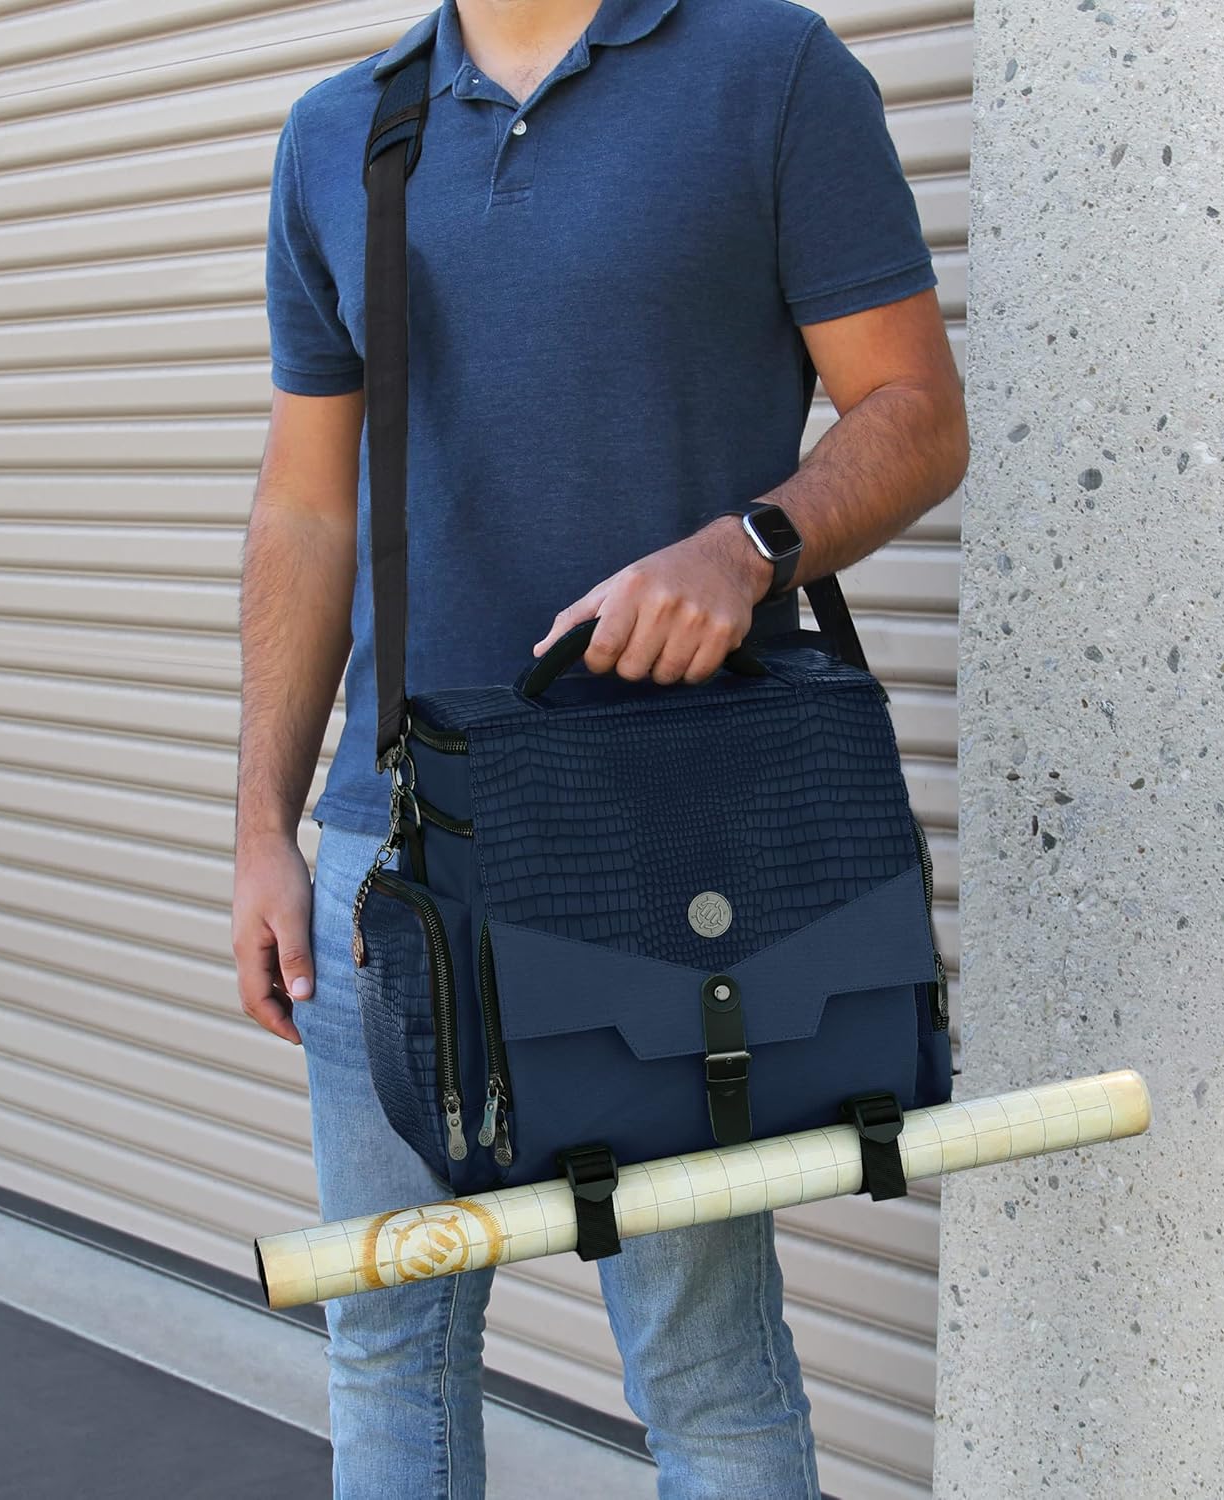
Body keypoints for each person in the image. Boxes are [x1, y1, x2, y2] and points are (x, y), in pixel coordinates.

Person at [231, 0, 968, 1493]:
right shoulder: (340, 133)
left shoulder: (769, 74)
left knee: (705, 1373)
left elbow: (916, 412)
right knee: (387, 1344)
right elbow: (307, 505)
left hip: (665, 841)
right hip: (396, 852)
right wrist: (265, 828)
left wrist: (748, 548)